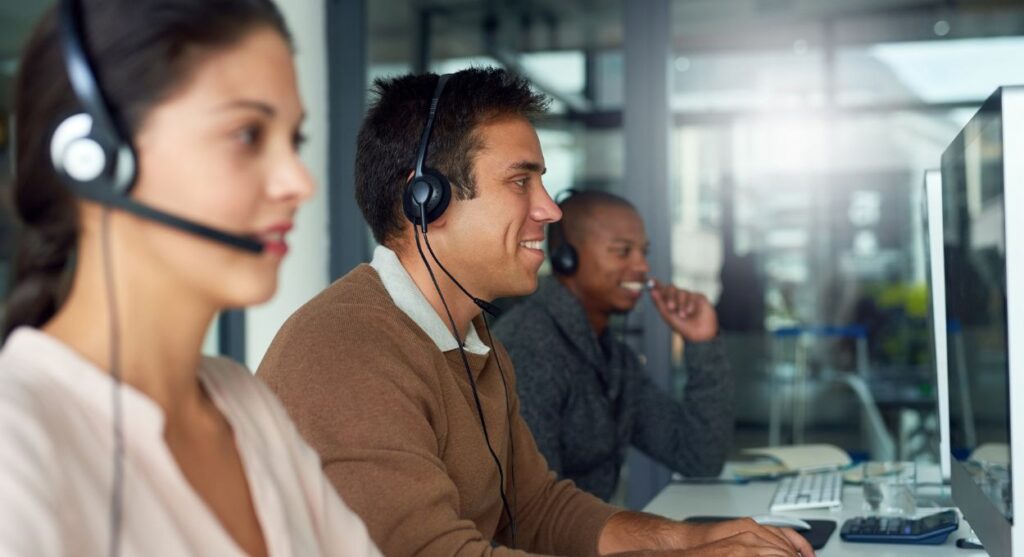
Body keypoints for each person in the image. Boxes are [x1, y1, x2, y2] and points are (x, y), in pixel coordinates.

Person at [258, 67, 813, 557]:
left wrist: (695, 539)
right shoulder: (347, 352)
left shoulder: (476, 342)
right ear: (426, 199)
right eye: (521, 181)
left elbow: (541, 510)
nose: (549, 210)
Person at [0, 1, 380, 555]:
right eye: (247, 135)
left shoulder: (246, 405)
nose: (299, 181)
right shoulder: (16, 448)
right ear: (96, 160)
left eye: (292, 141)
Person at [493, 190, 734, 502]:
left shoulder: (612, 358)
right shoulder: (529, 348)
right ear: (567, 258)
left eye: (643, 252)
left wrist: (702, 343)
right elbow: (533, 510)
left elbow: (699, 457)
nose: (642, 267)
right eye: (623, 251)